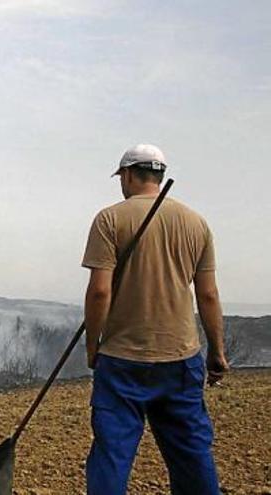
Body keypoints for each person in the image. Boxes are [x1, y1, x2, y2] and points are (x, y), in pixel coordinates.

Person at [81, 144, 228, 495]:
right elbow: (207, 295)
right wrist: (217, 351)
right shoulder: (196, 223)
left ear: (128, 175)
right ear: (159, 177)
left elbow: (100, 292)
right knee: (192, 455)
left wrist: (92, 348)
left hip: (121, 360)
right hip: (180, 357)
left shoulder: (109, 219)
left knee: (111, 458)